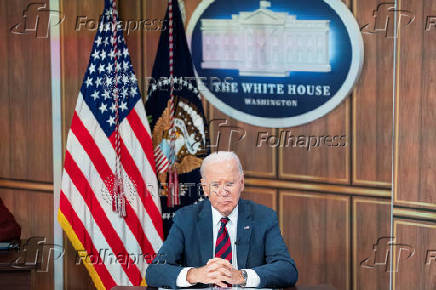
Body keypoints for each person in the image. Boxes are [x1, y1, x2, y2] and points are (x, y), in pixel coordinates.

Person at [146, 151, 298, 288]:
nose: (223, 192)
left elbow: (287, 269)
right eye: (216, 185)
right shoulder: (186, 219)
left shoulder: (264, 217)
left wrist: (242, 276)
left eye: (230, 184)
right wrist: (195, 274)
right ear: (205, 188)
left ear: (242, 183)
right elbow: (154, 272)